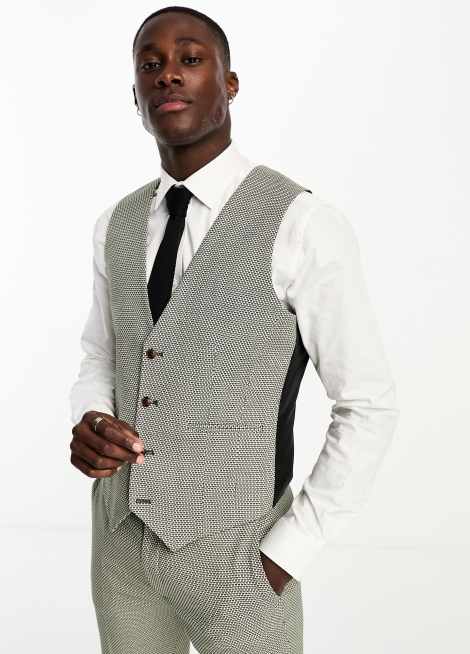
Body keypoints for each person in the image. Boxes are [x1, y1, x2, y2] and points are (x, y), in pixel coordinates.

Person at [69, 5, 400, 653]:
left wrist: (287, 552)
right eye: (150, 64)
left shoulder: (302, 224)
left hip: (241, 562)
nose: (168, 74)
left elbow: (368, 404)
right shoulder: (116, 224)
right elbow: (101, 355)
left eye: (190, 59)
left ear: (229, 83)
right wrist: (90, 416)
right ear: (135, 97)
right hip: (121, 551)